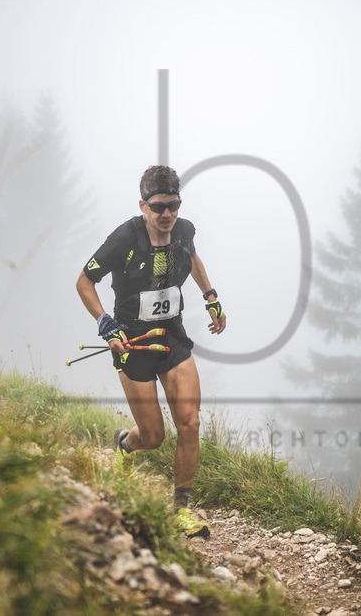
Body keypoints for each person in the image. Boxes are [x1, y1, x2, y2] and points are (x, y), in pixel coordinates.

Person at [76, 165, 226, 538]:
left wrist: (210, 297)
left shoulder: (184, 230)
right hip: (132, 341)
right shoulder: (124, 239)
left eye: (174, 205)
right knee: (153, 437)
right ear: (143, 205)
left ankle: (181, 511)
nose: (167, 214)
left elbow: (192, 257)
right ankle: (125, 444)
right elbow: (84, 282)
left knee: (190, 423)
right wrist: (105, 323)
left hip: (171, 335)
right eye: (158, 207)